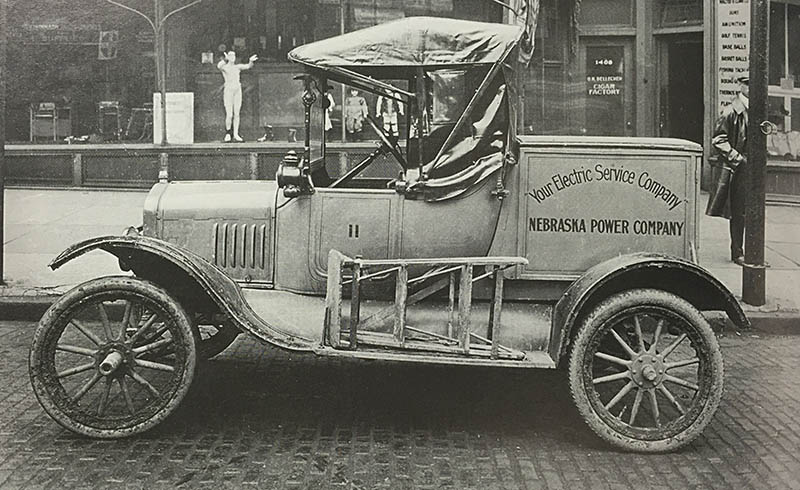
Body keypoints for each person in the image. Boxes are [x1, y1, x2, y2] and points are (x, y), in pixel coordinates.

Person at [709, 75, 749, 265]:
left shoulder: (755, 109)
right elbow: (719, 140)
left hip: (753, 168)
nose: (750, 87)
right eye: (747, 84)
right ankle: (737, 251)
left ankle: (749, 250)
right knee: (738, 211)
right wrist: (737, 158)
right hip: (738, 169)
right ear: (740, 85)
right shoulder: (730, 111)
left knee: (752, 211)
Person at [217, 50, 258, 142]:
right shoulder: (225, 67)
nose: (233, 58)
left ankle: (236, 134)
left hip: (237, 90)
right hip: (228, 90)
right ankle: (228, 133)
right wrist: (225, 59)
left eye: (234, 56)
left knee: (237, 113)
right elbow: (219, 66)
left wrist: (251, 61)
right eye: (231, 56)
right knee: (229, 114)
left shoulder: (237, 67)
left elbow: (248, 66)